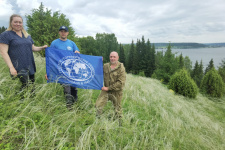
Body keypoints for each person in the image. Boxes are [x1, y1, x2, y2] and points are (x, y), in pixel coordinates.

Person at [0, 14, 47, 94]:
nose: (18, 24)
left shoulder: (27, 35)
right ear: (11, 23)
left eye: (20, 22)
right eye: (15, 22)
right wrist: (11, 67)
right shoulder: (6, 35)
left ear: (22, 23)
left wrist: (42, 47)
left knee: (32, 86)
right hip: (18, 66)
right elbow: (3, 52)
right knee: (27, 86)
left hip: (29, 64)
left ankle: (28, 102)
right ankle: (20, 101)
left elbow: (33, 48)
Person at [45, 25, 80, 110]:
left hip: (71, 71)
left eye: (65, 31)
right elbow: (50, 57)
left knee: (74, 88)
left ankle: (76, 104)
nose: (63, 33)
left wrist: (77, 52)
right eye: (61, 31)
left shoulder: (71, 43)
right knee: (67, 88)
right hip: (61, 70)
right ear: (59, 32)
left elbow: (78, 53)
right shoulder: (54, 43)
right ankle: (69, 107)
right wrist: (48, 72)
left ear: (67, 33)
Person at [95, 51, 126, 126]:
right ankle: (98, 122)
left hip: (116, 92)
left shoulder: (121, 68)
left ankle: (120, 125)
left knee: (117, 109)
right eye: (111, 57)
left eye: (114, 57)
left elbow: (120, 83)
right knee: (98, 105)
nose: (112, 58)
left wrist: (108, 88)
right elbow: (97, 72)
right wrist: (98, 62)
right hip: (106, 91)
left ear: (118, 58)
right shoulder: (105, 66)